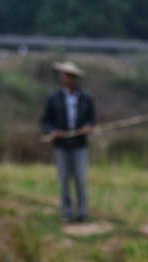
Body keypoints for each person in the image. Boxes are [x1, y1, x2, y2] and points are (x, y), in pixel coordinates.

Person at [40, 61, 95, 223]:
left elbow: (91, 118)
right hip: (61, 145)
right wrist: (53, 131)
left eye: (68, 75)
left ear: (74, 78)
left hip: (79, 144)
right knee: (64, 180)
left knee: (81, 179)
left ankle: (82, 211)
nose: (64, 77)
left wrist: (87, 127)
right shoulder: (53, 98)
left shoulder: (85, 98)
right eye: (63, 75)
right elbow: (45, 121)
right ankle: (67, 212)